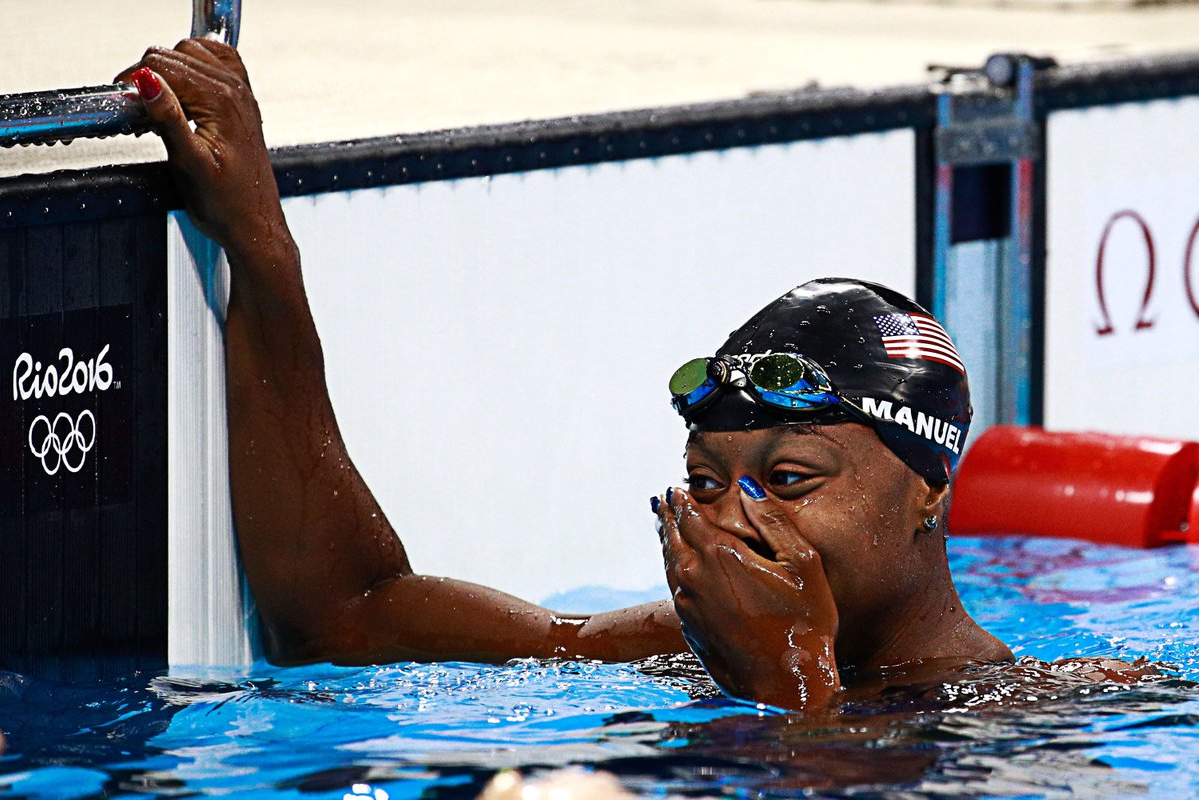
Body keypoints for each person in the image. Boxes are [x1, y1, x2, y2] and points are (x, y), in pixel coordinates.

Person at [115, 40, 1149, 714]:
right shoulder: (668, 645)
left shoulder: (1060, 717)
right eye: (706, 481)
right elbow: (345, 612)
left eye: (790, 478)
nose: (735, 521)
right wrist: (260, 240)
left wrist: (794, 686)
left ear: (932, 485)